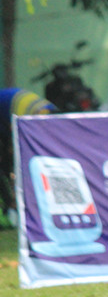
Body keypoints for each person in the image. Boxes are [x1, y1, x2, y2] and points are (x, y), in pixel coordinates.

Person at [0, 88, 56, 227]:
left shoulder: (49, 116)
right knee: (8, 162)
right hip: (6, 109)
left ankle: (13, 206)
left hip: (11, 106)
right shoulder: (37, 121)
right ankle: (10, 207)